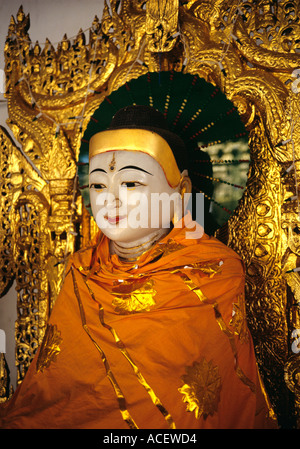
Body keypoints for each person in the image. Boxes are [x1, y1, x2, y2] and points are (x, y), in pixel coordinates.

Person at [0, 105, 277, 429]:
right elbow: (54, 396)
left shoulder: (212, 270)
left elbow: (199, 404)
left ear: (180, 192)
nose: (110, 200)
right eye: (99, 185)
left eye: (130, 183)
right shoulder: (82, 270)